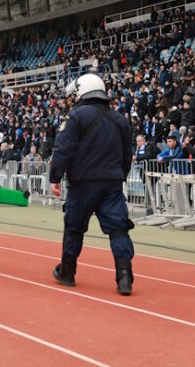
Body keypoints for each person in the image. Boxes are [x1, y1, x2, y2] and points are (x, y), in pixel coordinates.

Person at [48, 73, 136, 296]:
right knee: (118, 229)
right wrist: (119, 176)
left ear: (81, 92)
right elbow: (127, 154)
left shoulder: (76, 116)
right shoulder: (120, 119)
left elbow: (63, 149)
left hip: (83, 184)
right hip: (112, 184)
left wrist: (55, 177)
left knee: (74, 228)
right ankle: (124, 277)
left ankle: (67, 272)